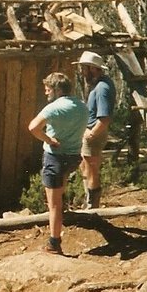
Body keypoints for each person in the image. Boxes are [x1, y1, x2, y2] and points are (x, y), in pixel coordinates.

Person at [28, 72, 89, 255]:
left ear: (57, 89)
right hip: (73, 157)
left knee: (54, 204)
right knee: (59, 196)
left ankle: (54, 243)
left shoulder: (53, 108)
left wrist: (49, 139)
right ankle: (59, 226)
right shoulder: (82, 106)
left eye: (48, 90)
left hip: (55, 157)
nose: (46, 93)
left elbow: (33, 127)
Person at [74, 50, 116, 210]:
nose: (82, 72)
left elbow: (104, 118)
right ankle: (89, 201)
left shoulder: (102, 88)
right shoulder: (99, 84)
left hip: (94, 133)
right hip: (92, 131)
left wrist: (91, 134)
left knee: (91, 169)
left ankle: (93, 206)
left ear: (92, 68)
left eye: (84, 68)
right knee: (86, 167)